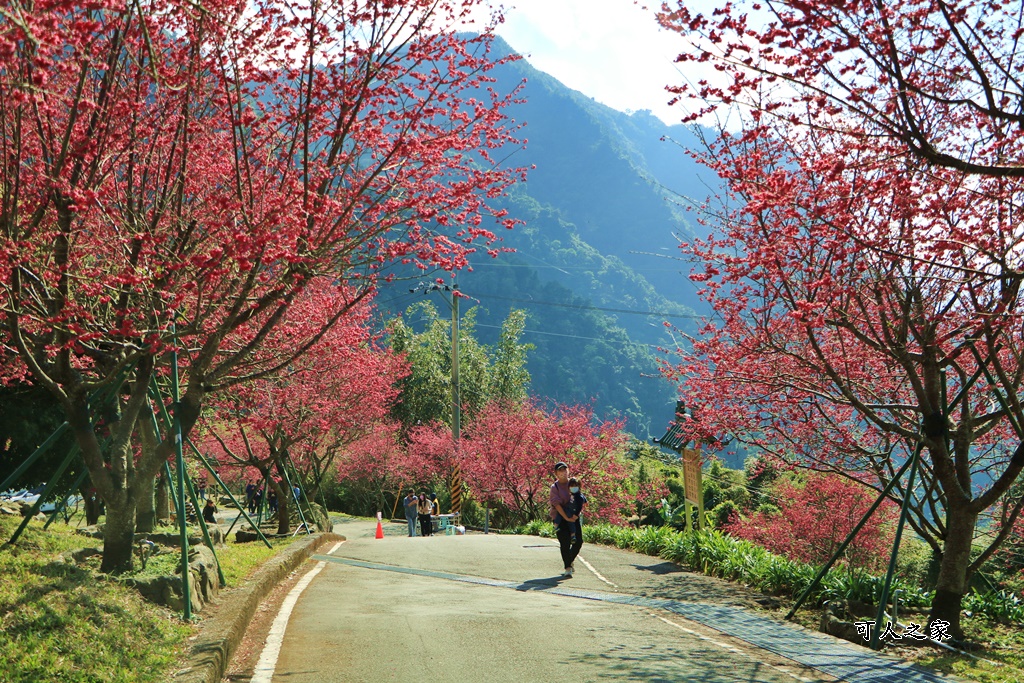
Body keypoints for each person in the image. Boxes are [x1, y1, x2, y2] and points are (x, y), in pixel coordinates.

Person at [549, 461, 582, 577]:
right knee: (565, 543)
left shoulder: (573, 483)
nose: (563, 473)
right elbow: (556, 505)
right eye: (560, 471)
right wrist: (566, 518)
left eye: (565, 470)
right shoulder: (555, 487)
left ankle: (570, 559)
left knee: (578, 542)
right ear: (556, 473)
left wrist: (576, 515)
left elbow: (580, 500)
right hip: (560, 517)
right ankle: (568, 567)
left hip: (573, 517)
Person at [566, 477, 587, 547]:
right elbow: (585, 500)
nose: (573, 488)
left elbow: (580, 506)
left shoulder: (578, 496)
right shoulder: (573, 495)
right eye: (572, 486)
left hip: (573, 514)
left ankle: (573, 535)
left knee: (571, 523)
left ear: (579, 486)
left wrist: (576, 514)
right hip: (571, 512)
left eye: (575, 486)